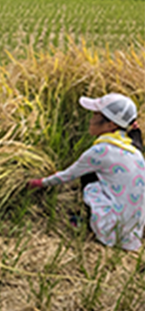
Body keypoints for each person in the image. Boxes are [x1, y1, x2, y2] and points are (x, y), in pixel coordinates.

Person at [28, 93, 145, 251]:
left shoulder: (100, 151)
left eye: (96, 115)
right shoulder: (133, 149)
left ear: (110, 125)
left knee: (90, 180)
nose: (91, 119)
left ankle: (95, 225)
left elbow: (68, 175)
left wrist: (39, 183)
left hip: (113, 230)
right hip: (133, 229)